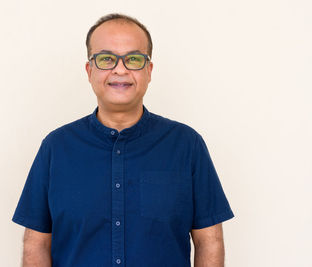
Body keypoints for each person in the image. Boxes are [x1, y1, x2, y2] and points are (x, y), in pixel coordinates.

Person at [12, 13, 235, 267]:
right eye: (106, 59)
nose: (120, 69)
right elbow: (36, 242)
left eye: (134, 59)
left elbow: (209, 240)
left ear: (149, 71)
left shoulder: (187, 145)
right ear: (89, 70)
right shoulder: (56, 148)